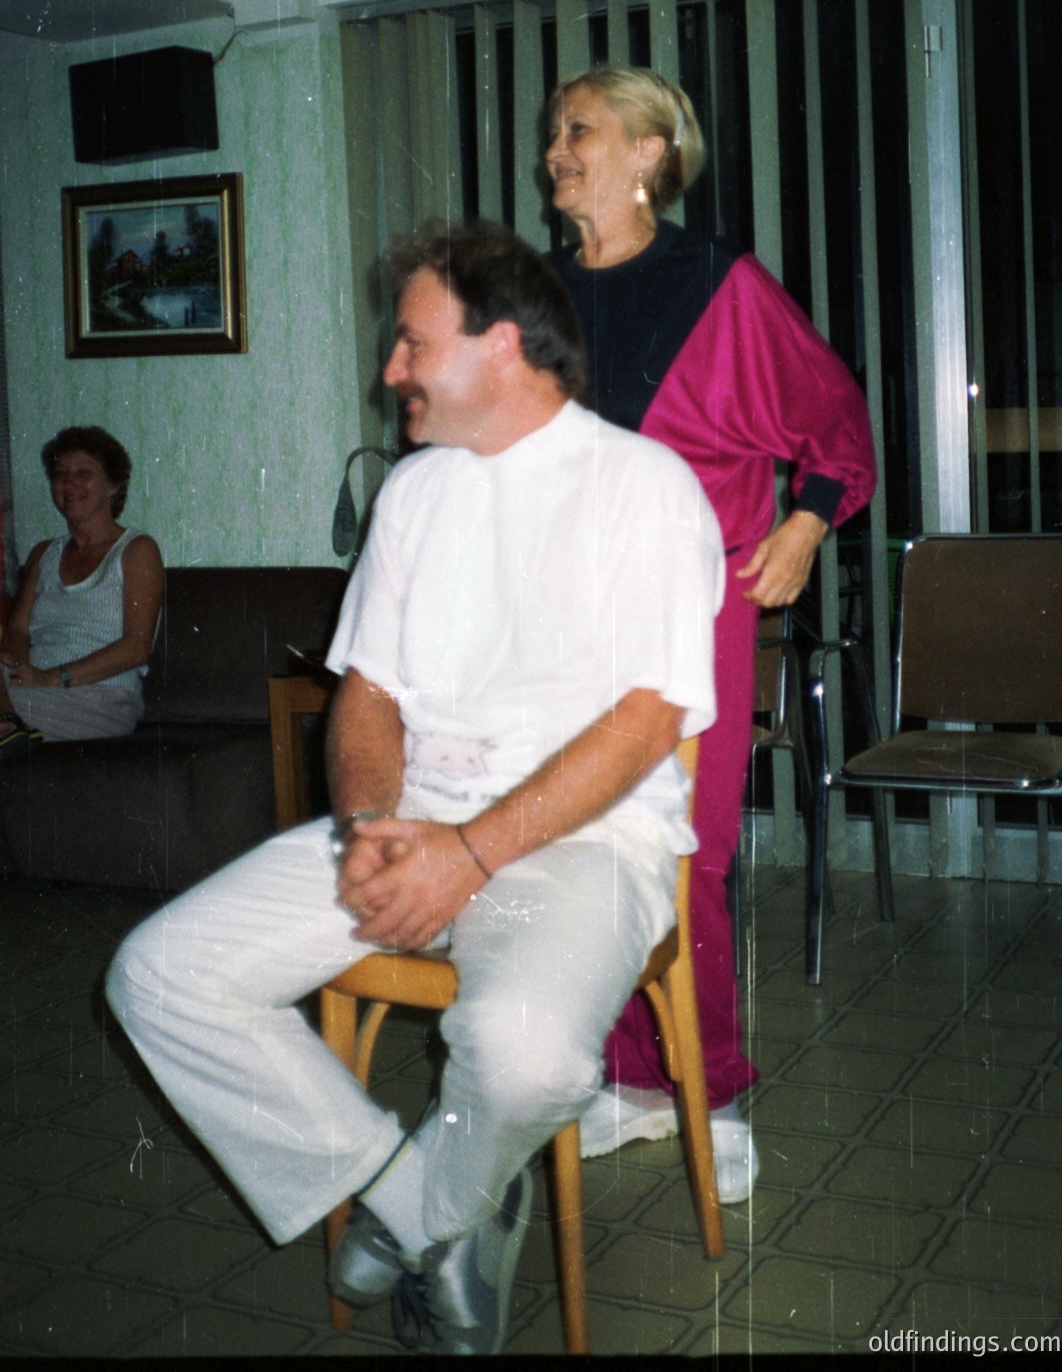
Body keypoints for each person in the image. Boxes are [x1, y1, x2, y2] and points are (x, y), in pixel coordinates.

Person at [106, 219, 724, 1357]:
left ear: (503, 346)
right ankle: (431, 1204)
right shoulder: (416, 494)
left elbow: (646, 723)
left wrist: (472, 852)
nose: (389, 368)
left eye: (411, 343)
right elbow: (369, 694)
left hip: (583, 843)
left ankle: (429, 1207)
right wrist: (368, 825)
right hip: (410, 825)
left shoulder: (645, 487)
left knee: (526, 1054)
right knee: (159, 976)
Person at [546, 65, 878, 1202]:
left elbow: (833, 418)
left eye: (579, 130)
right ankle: (630, 1080)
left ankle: (712, 1090)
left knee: (685, 853)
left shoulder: (716, 283)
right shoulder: (536, 296)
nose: (556, 151)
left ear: (649, 152)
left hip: (694, 607)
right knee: (583, 846)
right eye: (552, 133)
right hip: (568, 619)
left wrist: (805, 523)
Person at [0, 426, 163, 758]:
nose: (69, 482)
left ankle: (9, 723)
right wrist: (16, 669)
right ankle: (9, 725)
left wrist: (51, 678)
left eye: (83, 473)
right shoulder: (43, 554)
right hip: (30, 692)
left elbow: (136, 648)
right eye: (61, 474)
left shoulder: (137, 550)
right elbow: (17, 630)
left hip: (100, 700)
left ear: (113, 486)